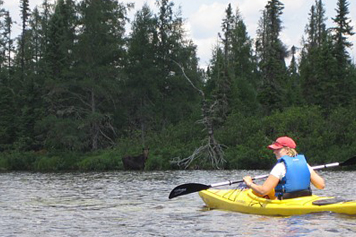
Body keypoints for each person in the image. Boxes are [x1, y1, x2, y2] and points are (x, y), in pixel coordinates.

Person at [243, 136, 325, 200]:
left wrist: (249, 183)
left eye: (277, 149)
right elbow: (321, 185)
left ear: (287, 150)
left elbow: (263, 191)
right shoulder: (305, 164)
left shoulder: (280, 167)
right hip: (304, 199)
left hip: (286, 203)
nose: (274, 152)